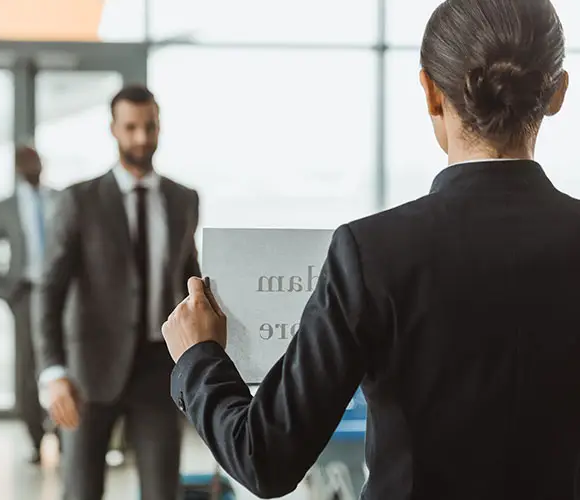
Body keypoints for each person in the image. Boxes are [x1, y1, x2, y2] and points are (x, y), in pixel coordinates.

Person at [161, 1, 580, 499]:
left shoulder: (374, 252)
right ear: (557, 93)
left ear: (429, 91)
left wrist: (198, 358)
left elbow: (264, 457)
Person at [36, 84, 201, 500]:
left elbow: (190, 281)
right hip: (89, 371)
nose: (142, 138)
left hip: (159, 369)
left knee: (163, 490)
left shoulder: (183, 200)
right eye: (131, 127)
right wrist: (54, 372)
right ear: (114, 129)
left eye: (150, 127)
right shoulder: (79, 200)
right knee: (82, 490)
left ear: (160, 126)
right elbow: (49, 291)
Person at [0, 145, 60, 464]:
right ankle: (35, 437)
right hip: (25, 294)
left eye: (39, 161)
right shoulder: (5, 207)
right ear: (19, 167)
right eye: (29, 162)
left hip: (58, 292)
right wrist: (7, 293)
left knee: (62, 361)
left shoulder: (58, 198)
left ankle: (63, 433)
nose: (36, 166)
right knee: (27, 369)